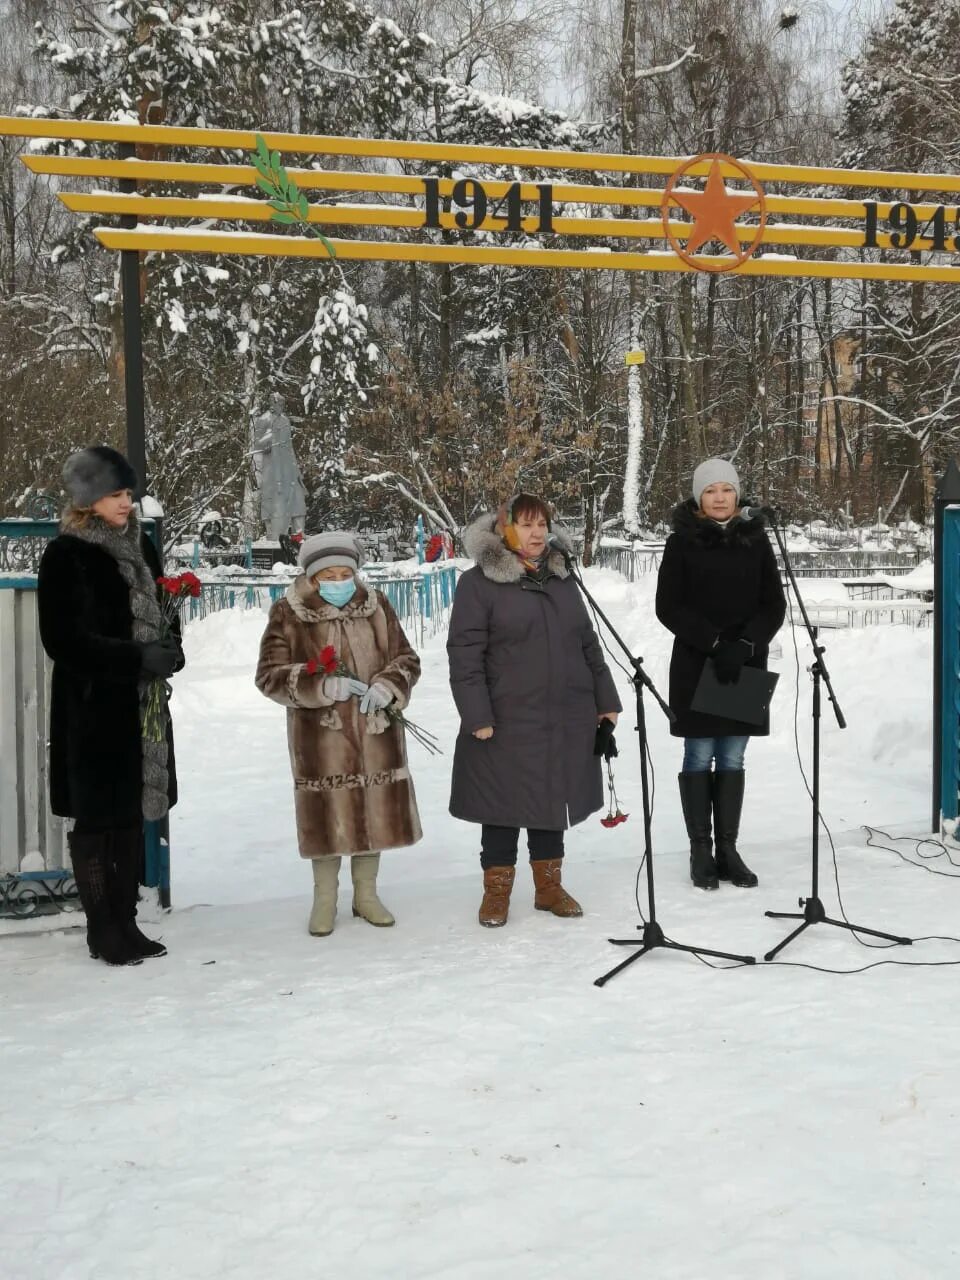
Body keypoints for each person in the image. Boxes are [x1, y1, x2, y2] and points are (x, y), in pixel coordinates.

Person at [447, 493, 622, 927]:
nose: (538, 533)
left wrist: (606, 701)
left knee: (551, 799)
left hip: (563, 714)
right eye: (526, 525)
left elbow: (587, 644)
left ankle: (548, 888)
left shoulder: (563, 580)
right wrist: (477, 715)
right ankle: (497, 893)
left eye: (542, 524)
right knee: (501, 807)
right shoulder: (478, 584)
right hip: (505, 717)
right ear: (505, 530)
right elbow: (465, 655)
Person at [37, 446, 182, 966]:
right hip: (93, 711)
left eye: (129, 494)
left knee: (129, 818)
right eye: (117, 494)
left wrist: (170, 650)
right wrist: (136, 657)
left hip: (140, 706)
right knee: (99, 820)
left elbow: (164, 609)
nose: (127, 503)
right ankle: (103, 929)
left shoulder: (142, 546)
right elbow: (63, 640)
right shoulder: (66, 555)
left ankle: (127, 921)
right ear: (88, 498)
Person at [255, 532, 422, 936]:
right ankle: (324, 899)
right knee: (327, 819)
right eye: (329, 574)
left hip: (375, 732)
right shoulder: (289, 613)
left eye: (346, 573)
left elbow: (406, 658)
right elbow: (268, 675)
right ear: (312, 577)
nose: (338, 581)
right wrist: (320, 686)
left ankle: (366, 895)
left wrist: (388, 685)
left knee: (375, 814)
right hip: (321, 739)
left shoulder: (376, 605)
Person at [655, 458, 786, 891]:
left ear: (737, 495)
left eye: (726, 490)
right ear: (698, 497)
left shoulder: (757, 540)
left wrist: (747, 645)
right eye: (710, 490)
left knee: (732, 756)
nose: (719, 498)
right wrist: (714, 643)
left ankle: (728, 849)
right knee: (699, 755)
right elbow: (669, 606)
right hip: (697, 664)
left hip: (745, 663)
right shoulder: (682, 543)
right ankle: (700, 851)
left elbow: (773, 604)